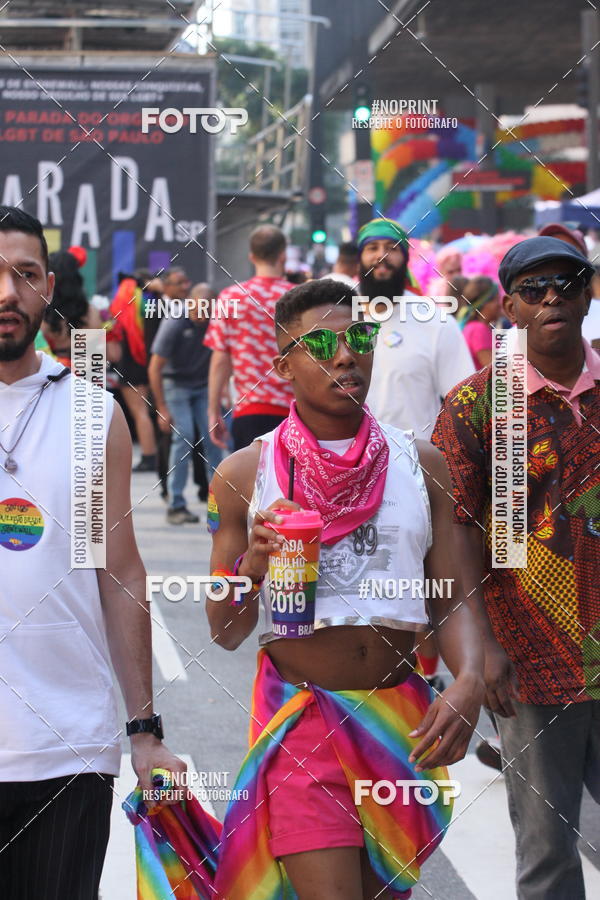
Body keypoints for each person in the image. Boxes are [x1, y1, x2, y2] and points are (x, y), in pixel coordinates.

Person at [204, 278, 484, 900]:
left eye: (357, 336)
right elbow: (223, 631)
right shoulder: (247, 473)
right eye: (321, 342)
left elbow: (455, 593)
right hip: (304, 721)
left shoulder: (421, 463)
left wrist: (468, 680)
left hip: (398, 724)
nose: (345, 354)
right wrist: (249, 566)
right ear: (283, 365)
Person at [0, 206, 184, 898]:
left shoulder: (87, 410)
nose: (7, 294)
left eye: (24, 275)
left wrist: (144, 731)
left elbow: (118, 568)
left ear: (48, 286)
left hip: (67, 748)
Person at [432, 235, 600, 900]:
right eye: (535, 288)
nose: (553, 295)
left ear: (589, 295)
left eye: (567, 281)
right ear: (510, 307)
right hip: (531, 661)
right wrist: (480, 651)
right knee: (547, 850)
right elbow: (456, 536)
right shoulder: (477, 405)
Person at [361, 218, 474, 441]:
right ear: (360, 258)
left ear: (405, 258)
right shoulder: (342, 319)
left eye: (391, 248)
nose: (381, 255)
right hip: (353, 467)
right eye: (372, 248)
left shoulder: (435, 321)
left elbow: (465, 403)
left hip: (419, 464)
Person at [205, 225, 294, 451]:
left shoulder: (231, 298)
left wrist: (214, 410)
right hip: (295, 414)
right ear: (283, 255)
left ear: (252, 256)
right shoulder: (299, 298)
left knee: (249, 484)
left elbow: (220, 360)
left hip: (249, 412)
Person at [148, 282, 223, 525]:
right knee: (185, 437)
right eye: (198, 311)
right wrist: (162, 409)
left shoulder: (217, 321)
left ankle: (220, 504)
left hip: (203, 385)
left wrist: (222, 395)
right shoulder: (175, 323)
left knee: (214, 438)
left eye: (207, 312)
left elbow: (223, 358)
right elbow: (154, 368)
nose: (202, 317)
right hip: (175, 384)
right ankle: (176, 503)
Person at [111, 268, 164, 472]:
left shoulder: (127, 302)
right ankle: (156, 455)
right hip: (150, 362)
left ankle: (149, 456)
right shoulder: (157, 303)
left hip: (131, 364)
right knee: (154, 411)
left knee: (139, 412)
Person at [457, 277, 501, 369]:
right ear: (484, 303)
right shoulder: (478, 330)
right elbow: (494, 371)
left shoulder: (471, 327)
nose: (499, 304)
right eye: (496, 299)